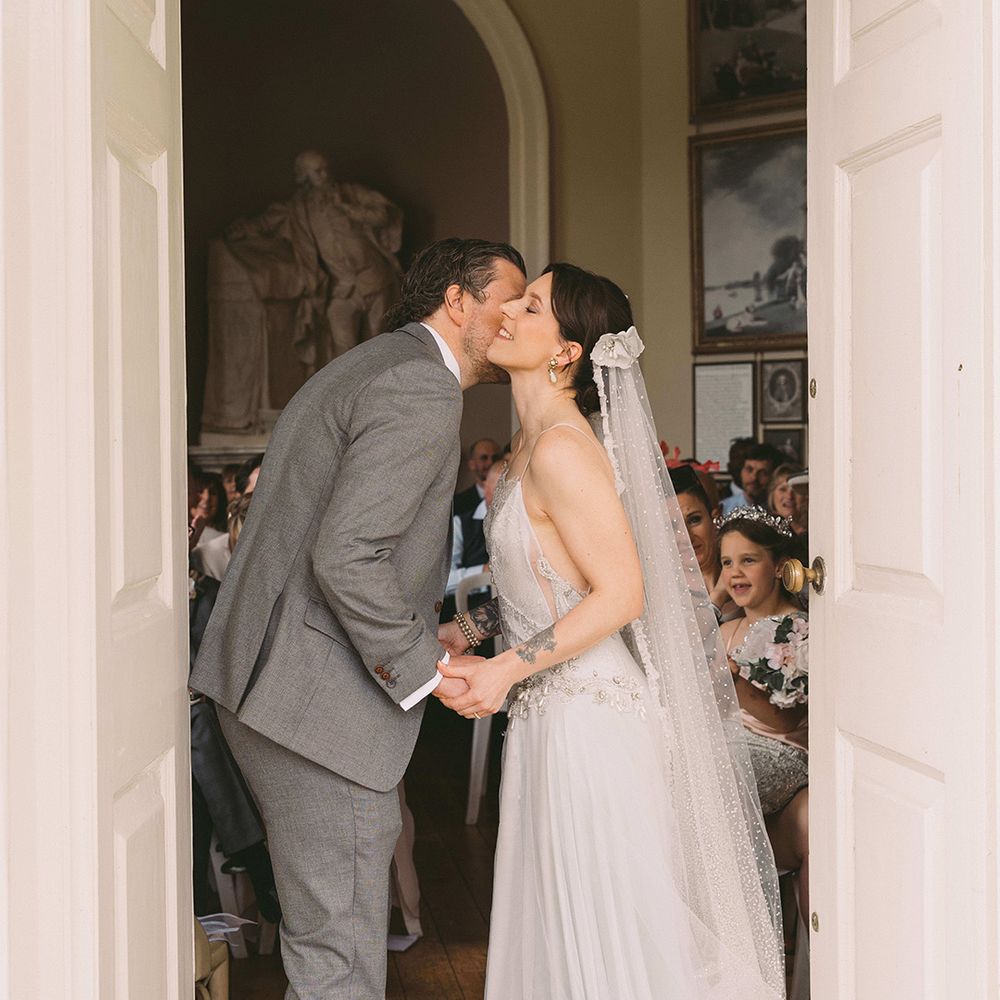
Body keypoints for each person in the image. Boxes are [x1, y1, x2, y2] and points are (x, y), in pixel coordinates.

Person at [189, 237, 526, 999]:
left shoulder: (374, 364)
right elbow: (346, 556)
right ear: (457, 300)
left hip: (275, 686)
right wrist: (420, 671)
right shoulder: (422, 387)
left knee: (325, 944)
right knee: (338, 960)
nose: (516, 319)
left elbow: (329, 541)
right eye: (510, 299)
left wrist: (429, 634)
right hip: (316, 708)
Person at [435, 264, 784, 999]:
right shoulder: (529, 445)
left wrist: (504, 671)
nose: (506, 312)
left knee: (616, 943)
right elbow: (553, 585)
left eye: (529, 306)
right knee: (567, 939)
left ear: (565, 351)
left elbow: (622, 593)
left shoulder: (563, 447)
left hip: (593, 728)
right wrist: (465, 630)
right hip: (550, 720)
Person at [717, 507, 809, 919]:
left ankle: (742, 918)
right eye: (726, 562)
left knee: (712, 773)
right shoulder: (725, 631)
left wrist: (734, 683)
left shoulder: (797, 628)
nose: (735, 572)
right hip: (728, 743)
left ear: (777, 566)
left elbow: (784, 720)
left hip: (779, 750)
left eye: (748, 560)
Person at [669, 463, 741, 623]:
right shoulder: (664, 593)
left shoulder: (744, 575)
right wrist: (719, 595)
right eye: (672, 526)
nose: (686, 536)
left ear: (715, 517)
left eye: (694, 520)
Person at [720, 442, 783, 514]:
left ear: (773, 476)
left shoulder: (781, 510)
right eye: (749, 469)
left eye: (762, 473)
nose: (754, 478)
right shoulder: (724, 509)